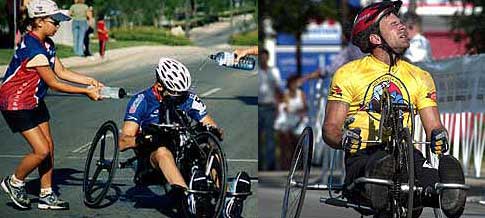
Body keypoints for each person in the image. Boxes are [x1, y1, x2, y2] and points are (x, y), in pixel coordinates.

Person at [322, 1, 466, 217]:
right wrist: (343, 138)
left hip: (407, 156)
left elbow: (434, 126)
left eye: (402, 23)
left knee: (428, 179)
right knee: (375, 166)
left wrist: (439, 136)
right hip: (364, 152)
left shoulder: (420, 77)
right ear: (375, 38)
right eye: (393, 24)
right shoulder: (349, 74)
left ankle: (448, 190)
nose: (403, 27)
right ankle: (377, 183)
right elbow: (330, 128)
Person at [0, 0, 102, 210]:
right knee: (41, 150)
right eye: (54, 21)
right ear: (38, 21)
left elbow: (62, 72)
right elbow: (54, 82)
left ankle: (46, 194)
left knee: (49, 146)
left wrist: (89, 81)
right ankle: (15, 181)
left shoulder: (47, 44)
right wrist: (85, 91)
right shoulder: (34, 48)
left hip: (34, 100)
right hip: (16, 102)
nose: (58, 25)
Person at [118, 57, 224, 215]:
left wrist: (214, 131)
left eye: (183, 93)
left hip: (183, 152)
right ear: (160, 86)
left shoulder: (188, 98)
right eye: (176, 94)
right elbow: (122, 142)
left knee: (210, 147)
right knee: (163, 152)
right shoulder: (142, 101)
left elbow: (213, 127)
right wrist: (145, 139)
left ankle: (223, 194)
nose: (181, 98)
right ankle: (189, 198)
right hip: (152, 158)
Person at [273, 75, 308, 170]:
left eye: (295, 83)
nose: (294, 85)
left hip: (299, 122)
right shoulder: (286, 94)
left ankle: (300, 164)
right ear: (289, 84)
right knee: (285, 139)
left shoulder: (301, 94)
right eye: (292, 83)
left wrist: (300, 114)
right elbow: (287, 109)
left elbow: (305, 108)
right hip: (288, 121)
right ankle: (285, 165)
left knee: (298, 142)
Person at [259, 49, 282, 170]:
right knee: (258, 138)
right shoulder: (257, 72)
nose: (263, 60)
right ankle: (260, 164)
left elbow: (278, 90)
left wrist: (279, 107)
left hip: (269, 107)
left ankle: (270, 165)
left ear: (267, 58)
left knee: (270, 137)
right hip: (258, 106)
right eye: (261, 57)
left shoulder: (274, 72)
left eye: (265, 57)